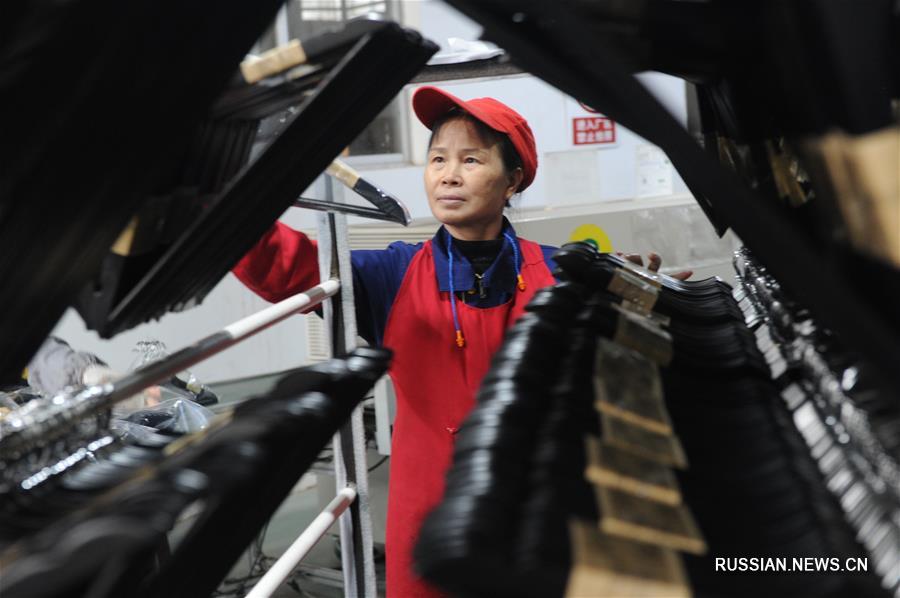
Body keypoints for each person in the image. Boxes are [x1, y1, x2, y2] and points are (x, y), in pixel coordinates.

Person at [233, 86, 687, 597]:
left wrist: (646, 301)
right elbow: (284, 267)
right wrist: (221, 191)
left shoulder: (562, 272)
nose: (448, 175)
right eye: (437, 159)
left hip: (536, 508)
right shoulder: (393, 275)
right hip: (428, 509)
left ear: (512, 180)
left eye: (471, 160)